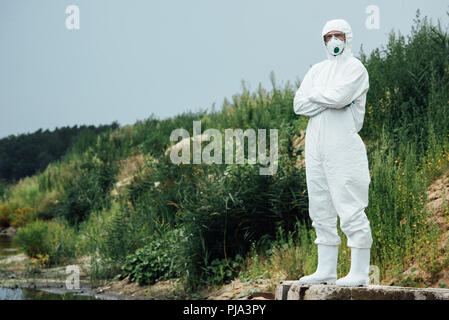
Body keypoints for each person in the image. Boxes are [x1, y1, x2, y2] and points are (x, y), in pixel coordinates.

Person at [293, 18, 372, 287]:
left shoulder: (356, 68)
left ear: (348, 37)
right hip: (316, 143)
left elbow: (340, 99)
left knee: (349, 201)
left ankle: (360, 270)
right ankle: (326, 269)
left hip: (343, 143)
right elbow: (299, 104)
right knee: (320, 204)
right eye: (327, 37)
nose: (333, 41)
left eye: (337, 35)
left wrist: (320, 97)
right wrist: (328, 98)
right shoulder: (317, 70)